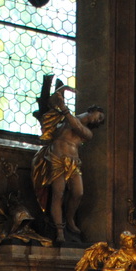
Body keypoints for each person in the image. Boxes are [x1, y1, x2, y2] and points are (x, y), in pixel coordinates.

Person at [31, 76, 105, 244]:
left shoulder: (87, 132)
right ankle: (59, 231)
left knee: (78, 193)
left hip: (74, 162)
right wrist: (61, 90)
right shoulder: (64, 117)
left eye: (100, 120)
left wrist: (64, 107)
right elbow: (52, 103)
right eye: (99, 116)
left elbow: (76, 126)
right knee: (58, 193)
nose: (98, 120)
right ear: (93, 110)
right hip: (57, 157)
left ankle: (70, 218)